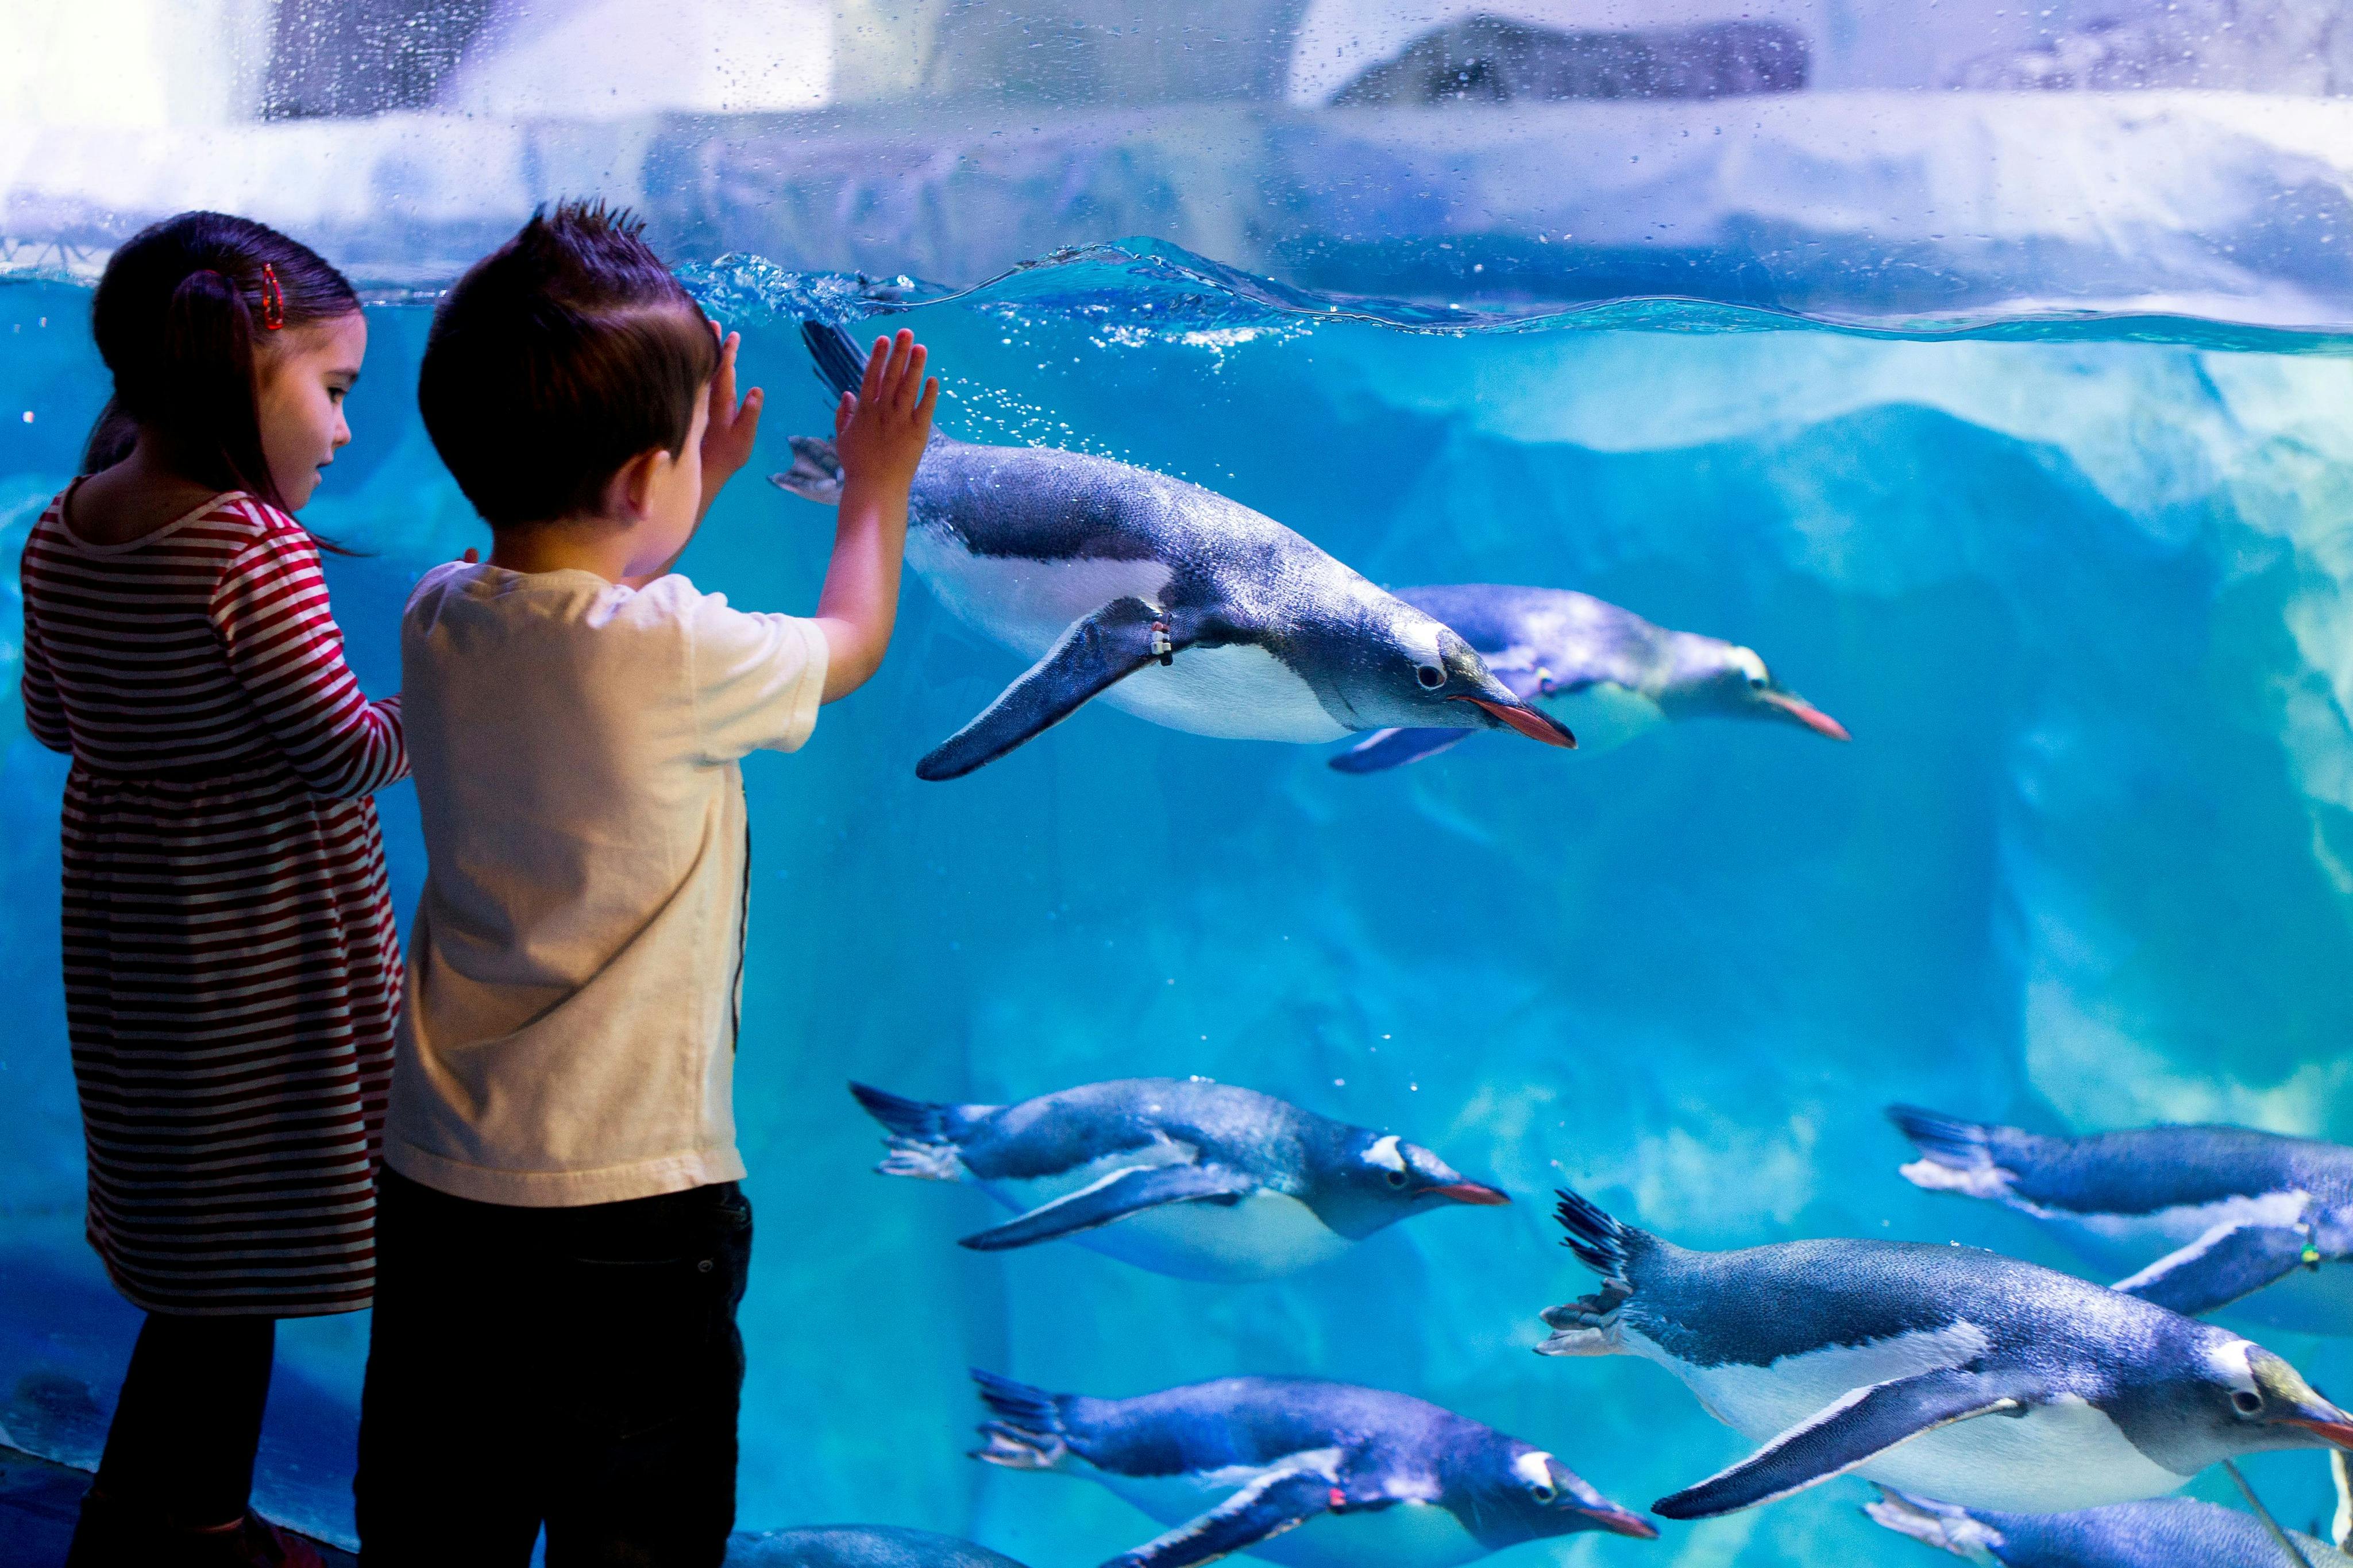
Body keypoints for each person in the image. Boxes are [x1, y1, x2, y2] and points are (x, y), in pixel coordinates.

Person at [354, 200, 935, 1565]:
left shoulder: (438, 617)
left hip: (442, 1194)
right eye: (686, 444)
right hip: (633, 1215)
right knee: (637, 1537)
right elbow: (851, 642)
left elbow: (574, 598)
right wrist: (877, 481)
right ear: (636, 481)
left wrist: (683, 477)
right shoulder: (678, 654)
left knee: (439, 1526)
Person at [21, 211, 406, 1568]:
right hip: (261, 944)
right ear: (243, 365)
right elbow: (343, 751)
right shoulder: (253, 547)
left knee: (197, 1261)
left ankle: (150, 1512)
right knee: (244, 1263)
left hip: (138, 933)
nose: (343, 431)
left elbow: (52, 719)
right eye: (334, 389)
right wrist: (449, 693)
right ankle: (195, 1532)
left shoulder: (64, 527)